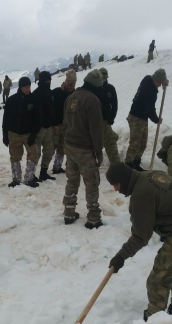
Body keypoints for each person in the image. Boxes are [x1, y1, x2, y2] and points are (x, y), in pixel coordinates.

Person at [105, 163, 172, 320]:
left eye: (116, 184)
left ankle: (155, 321)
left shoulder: (141, 195)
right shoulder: (151, 175)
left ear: (124, 179)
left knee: (158, 280)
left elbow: (141, 236)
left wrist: (121, 256)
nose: (115, 189)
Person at [62, 70, 105, 228]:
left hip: (70, 145)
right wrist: (98, 151)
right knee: (91, 182)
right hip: (84, 149)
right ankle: (93, 216)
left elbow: (65, 122)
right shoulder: (92, 100)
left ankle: (69, 211)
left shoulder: (70, 97)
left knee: (72, 180)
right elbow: (96, 129)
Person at [125, 69, 169, 171]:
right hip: (136, 118)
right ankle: (127, 166)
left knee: (143, 144)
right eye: (159, 83)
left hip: (143, 118)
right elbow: (150, 109)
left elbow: (149, 109)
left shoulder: (147, 79)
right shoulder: (150, 92)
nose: (159, 85)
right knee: (135, 144)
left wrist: (163, 82)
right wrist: (156, 120)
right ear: (156, 80)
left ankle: (135, 163)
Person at [2, 76, 41, 188]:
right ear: (20, 87)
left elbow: (38, 119)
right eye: (26, 87)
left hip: (28, 133)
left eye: (29, 87)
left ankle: (29, 178)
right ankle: (16, 179)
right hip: (14, 134)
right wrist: (5, 135)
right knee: (15, 157)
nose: (28, 89)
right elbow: (6, 119)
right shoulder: (12, 100)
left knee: (34, 155)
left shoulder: (35, 100)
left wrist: (33, 134)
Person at [51, 69, 77, 174]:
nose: (71, 87)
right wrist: (54, 123)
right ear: (65, 83)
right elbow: (51, 107)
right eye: (70, 84)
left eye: (73, 84)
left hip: (68, 125)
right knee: (53, 146)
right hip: (57, 124)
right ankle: (43, 168)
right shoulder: (57, 92)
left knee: (62, 147)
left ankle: (57, 167)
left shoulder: (75, 94)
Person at [33, 71, 57, 182]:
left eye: (50, 81)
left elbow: (53, 110)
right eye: (47, 81)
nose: (49, 83)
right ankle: (31, 174)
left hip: (49, 128)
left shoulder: (50, 93)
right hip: (39, 128)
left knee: (49, 151)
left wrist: (55, 123)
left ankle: (43, 172)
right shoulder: (36, 94)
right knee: (35, 153)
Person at [99, 68, 121, 164]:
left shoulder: (110, 88)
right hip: (94, 122)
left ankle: (116, 165)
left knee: (110, 143)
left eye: (104, 78)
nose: (103, 80)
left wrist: (111, 118)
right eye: (101, 78)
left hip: (105, 121)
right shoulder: (93, 88)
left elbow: (114, 105)